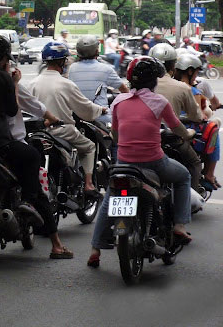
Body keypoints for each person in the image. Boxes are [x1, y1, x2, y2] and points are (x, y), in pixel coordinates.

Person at [0, 35, 72, 259]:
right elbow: (12, 111)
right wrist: (14, 85)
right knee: (32, 159)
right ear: (2, 58)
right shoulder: (3, 79)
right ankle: (52, 238)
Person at [87, 56, 194, 268]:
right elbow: (176, 128)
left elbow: (115, 135)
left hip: (124, 164)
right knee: (183, 177)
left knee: (109, 199)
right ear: (153, 80)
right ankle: (180, 226)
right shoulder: (159, 102)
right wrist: (188, 134)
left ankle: (95, 249)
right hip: (154, 162)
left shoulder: (117, 101)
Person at [30, 41, 106, 197]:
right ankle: (89, 184)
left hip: (39, 133)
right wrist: (101, 109)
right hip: (63, 131)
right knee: (90, 147)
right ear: (62, 61)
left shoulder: (32, 83)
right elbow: (85, 109)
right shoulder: (65, 84)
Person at [150, 43, 203, 190]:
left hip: (137, 141)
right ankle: (189, 203)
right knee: (194, 163)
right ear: (173, 66)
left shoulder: (134, 88)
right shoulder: (181, 88)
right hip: (169, 138)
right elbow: (196, 116)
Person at [174, 53, 221, 189]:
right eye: (195, 72)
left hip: (166, 129)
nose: (196, 75)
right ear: (189, 71)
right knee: (213, 129)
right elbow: (199, 116)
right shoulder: (192, 90)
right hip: (186, 132)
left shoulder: (162, 85)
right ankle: (209, 174)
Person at [68, 35, 129, 124]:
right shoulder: (105, 69)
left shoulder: (72, 68)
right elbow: (124, 90)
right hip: (101, 118)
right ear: (96, 50)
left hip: (77, 117)